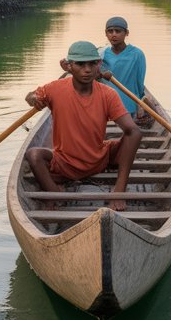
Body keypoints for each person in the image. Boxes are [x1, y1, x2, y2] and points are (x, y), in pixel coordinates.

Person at [25, 40, 142, 211]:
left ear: (99, 64)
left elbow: (134, 132)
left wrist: (119, 190)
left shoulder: (108, 94)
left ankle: (118, 190)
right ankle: (54, 194)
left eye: (92, 63)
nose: (87, 70)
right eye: (80, 64)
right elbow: (30, 96)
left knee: (134, 134)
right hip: (65, 163)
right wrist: (33, 99)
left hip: (98, 159)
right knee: (33, 155)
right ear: (69, 66)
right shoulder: (54, 89)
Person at [99, 16, 150, 124]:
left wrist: (140, 103)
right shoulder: (101, 54)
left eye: (118, 31)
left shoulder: (137, 54)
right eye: (110, 31)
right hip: (106, 106)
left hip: (129, 106)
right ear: (105, 33)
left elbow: (139, 82)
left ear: (126, 33)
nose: (113, 34)